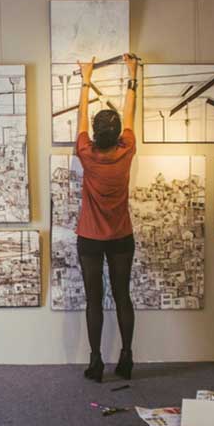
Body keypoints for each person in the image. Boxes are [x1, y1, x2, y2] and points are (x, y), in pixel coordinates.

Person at [74, 53, 139, 383]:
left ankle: (96, 362)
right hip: (121, 238)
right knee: (123, 296)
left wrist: (86, 78)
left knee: (94, 300)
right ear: (117, 135)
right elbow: (130, 116)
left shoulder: (86, 153)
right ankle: (126, 358)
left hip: (89, 238)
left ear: (96, 134)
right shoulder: (126, 150)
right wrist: (132, 75)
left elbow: (80, 119)